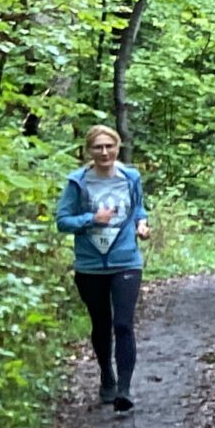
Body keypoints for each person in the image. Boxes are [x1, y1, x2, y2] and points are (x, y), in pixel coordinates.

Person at [53, 125, 150, 412]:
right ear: (89, 151)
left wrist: (142, 224)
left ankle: (124, 390)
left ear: (118, 147)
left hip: (126, 260)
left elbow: (138, 209)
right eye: (98, 147)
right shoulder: (78, 182)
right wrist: (92, 219)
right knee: (101, 324)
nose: (105, 152)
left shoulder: (130, 177)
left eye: (110, 146)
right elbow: (62, 221)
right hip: (91, 265)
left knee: (123, 324)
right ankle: (107, 375)